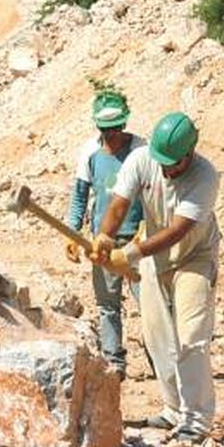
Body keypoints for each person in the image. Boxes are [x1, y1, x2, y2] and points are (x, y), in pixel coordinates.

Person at [91, 112, 220, 443]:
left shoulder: (204, 176)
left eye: (173, 164)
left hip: (194, 257)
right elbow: (120, 204)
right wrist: (105, 236)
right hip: (155, 259)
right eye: (161, 161)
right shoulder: (142, 159)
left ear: (189, 154)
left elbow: (179, 230)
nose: (165, 169)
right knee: (157, 335)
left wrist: (130, 253)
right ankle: (173, 409)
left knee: (190, 336)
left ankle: (196, 419)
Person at [64, 88, 148, 379]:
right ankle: (115, 363)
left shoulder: (141, 151)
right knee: (107, 306)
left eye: (115, 128)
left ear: (123, 124)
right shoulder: (89, 153)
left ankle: (160, 361)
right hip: (102, 242)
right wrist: (72, 232)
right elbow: (79, 196)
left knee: (149, 304)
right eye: (105, 129)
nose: (110, 135)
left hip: (138, 242)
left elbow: (153, 196)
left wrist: (147, 234)